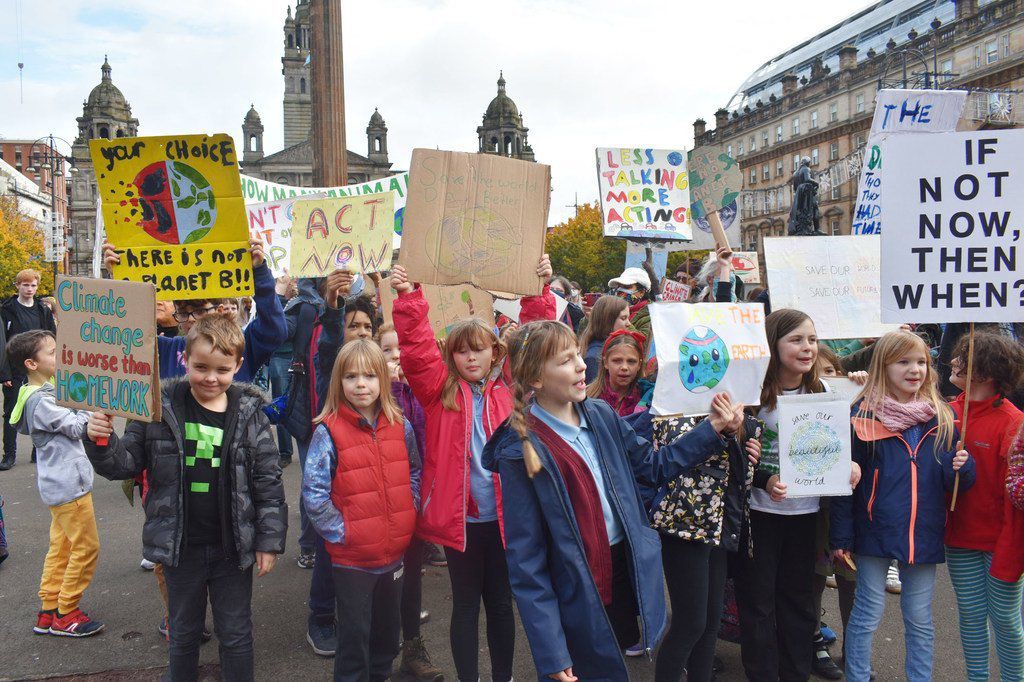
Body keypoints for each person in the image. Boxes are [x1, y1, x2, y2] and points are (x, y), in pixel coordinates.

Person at [482, 320, 760, 680]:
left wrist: (712, 429)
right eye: (566, 361)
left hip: (621, 575)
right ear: (535, 379)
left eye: (578, 355)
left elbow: (655, 466)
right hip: (575, 589)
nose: (583, 365)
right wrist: (551, 652)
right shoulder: (522, 452)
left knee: (616, 658)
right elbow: (527, 563)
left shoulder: (600, 414)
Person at [84, 314, 287, 681]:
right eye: (201, 367)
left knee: (237, 634)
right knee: (183, 634)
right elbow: (124, 463)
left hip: (232, 550)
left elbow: (267, 482)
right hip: (181, 548)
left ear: (238, 366)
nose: (211, 377)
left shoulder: (250, 414)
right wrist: (101, 438)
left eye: (222, 369)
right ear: (185, 361)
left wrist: (269, 541)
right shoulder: (157, 409)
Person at [389, 256, 554, 682]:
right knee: (465, 603)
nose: (469, 357)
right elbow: (417, 350)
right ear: (451, 357)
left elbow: (539, 343)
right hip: (460, 519)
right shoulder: (438, 390)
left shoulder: (513, 389)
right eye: (460, 351)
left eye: (478, 348)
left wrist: (539, 291)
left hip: (504, 517)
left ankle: (504, 676)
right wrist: (408, 297)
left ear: (496, 350)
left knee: (501, 602)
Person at [831, 330, 975, 682]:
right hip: (874, 531)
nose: (915, 370)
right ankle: (858, 676)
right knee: (867, 611)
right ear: (882, 365)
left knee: (920, 617)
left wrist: (964, 469)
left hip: (923, 534)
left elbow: (952, 485)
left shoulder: (942, 419)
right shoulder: (861, 416)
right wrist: (841, 537)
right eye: (904, 362)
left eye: (922, 362)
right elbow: (843, 485)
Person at [734, 309, 860, 682]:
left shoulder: (828, 391)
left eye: (812, 339)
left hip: (806, 515)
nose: (808, 348)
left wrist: (849, 466)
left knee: (799, 602)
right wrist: (765, 480)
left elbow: (839, 446)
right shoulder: (751, 395)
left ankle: (795, 673)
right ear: (773, 344)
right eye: (797, 340)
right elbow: (734, 455)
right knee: (758, 603)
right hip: (758, 516)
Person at [302, 339, 421, 681]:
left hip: (394, 556)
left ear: (383, 379)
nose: (361, 384)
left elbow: (414, 470)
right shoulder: (328, 432)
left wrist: (408, 511)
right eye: (351, 376)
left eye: (369, 375)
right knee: (354, 642)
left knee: (387, 639)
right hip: (352, 560)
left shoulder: (401, 425)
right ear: (338, 382)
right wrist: (346, 533)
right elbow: (314, 493)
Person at [7, 330, 102, 636]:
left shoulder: (39, 394)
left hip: (60, 485)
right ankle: (67, 612)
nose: (60, 354)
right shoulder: (42, 401)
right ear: (31, 364)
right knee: (86, 548)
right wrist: (92, 408)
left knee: (61, 547)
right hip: (68, 487)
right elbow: (77, 427)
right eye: (51, 352)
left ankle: (50, 607)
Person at [944, 332, 1024, 682]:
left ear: (987, 371)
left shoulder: (1014, 422)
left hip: (1001, 542)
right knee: (971, 616)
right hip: (960, 537)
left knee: (1006, 618)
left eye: (964, 357)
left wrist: (1011, 548)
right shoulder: (947, 413)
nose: (954, 362)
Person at [102, 239, 287, 384]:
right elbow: (125, 337)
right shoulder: (165, 350)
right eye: (183, 313)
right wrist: (120, 277)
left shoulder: (242, 346)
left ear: (220, 311)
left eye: (199, 311)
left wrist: (259, 272)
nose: (190, 320)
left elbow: (274, 330)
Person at [375, 323, 443, 680]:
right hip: (382, 508)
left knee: (411, 578)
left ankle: (412, 648)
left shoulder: (426, 391)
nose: (397, 355)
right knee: (385, 582)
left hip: (415, 503)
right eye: (387, 350)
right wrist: (396, 383)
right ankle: (381, 659)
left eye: (403, 348)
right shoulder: (379, 396)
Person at [0, 268, 56, 471]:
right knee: (11, 412)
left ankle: (37, 451)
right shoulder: (6, 310)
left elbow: (52, 337)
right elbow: (2, 343)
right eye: (25, 284)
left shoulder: (43, 310)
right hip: (15, 370)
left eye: (33, 285)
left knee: (41, 409)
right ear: (18, 286)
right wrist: (4, 373)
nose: (30, 288)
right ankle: (9, 454)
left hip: (40, 369)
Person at [585, 329, 651, 416]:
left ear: (639, 364)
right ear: (605, 362)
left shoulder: (647, 398)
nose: (624, 367)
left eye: (631, 361)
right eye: (617, 361)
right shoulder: (587, 397)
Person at [579, 296, 629, 384]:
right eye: (623, 318)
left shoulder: (609, 348)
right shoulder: (594, 357)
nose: (629, 324)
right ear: (608, 320)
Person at [607, 267, 652, 341]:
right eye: (619, 286)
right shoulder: (611, 309)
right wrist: (590, 316)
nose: (620, 291)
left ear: (642, 292)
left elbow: (644, 344)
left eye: (626, 287)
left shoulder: (651, 316)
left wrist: (622, 320)